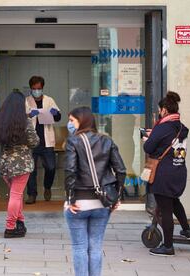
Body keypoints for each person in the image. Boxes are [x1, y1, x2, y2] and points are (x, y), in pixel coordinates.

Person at [64, 107, 126, 276]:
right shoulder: (107, 141)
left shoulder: (73, 141)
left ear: (81, 121)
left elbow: (70, 171)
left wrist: (70, 199)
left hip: (79, 202)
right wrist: (117, 197)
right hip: (102, 202)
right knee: (96, 246)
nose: (69, 124)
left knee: (79, 247)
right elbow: (121, 170)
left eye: (72, 120)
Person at [143, 91, 190, 257]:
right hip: (179, 171)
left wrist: (147, 139)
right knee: (174, 201)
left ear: (164, 110)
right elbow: (169, 145)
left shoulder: (163, 127)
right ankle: (187, 230)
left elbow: (148, 148)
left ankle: (167, 246)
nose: (159, 112)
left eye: (160, 109)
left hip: (163, 174)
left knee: (165, 210)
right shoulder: (181, 127)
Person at [0, 91, 39, 238]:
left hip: (5, 164)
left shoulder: (0, 120)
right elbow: (34, 141)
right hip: (21, 164)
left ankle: (20, 221)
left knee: (15, 195)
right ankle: (10, 227)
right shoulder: (25, 121)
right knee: (16, 195)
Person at [25, 76, 61, 204]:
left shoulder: (49, 100)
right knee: (31, 169)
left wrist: (55, 113)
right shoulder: (26, 101)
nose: (36, 91)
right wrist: (28, 115)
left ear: (42, 88)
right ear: (31, 88)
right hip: (31, 141)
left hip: (46, 141)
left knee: (51, 167)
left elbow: (58, 117)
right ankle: (32, 194)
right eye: (34, 89)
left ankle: (47, 187)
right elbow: (19, 119)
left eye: (39, 88)